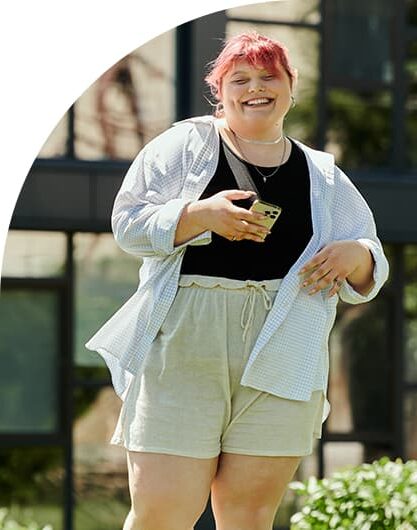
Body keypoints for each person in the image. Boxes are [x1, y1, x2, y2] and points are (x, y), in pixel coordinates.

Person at [86, 31, 389, 530]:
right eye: (239, 78)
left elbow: (370, 261)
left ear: (291, 88)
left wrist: (355, 254)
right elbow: (129, 224)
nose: (255, 88)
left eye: (269, 77)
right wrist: (198, 215)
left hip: (286, 342)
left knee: (248, 517)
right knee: (162, 514)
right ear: (219, 91)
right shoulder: (184, 144)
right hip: (185, 339)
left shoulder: (323, 174)